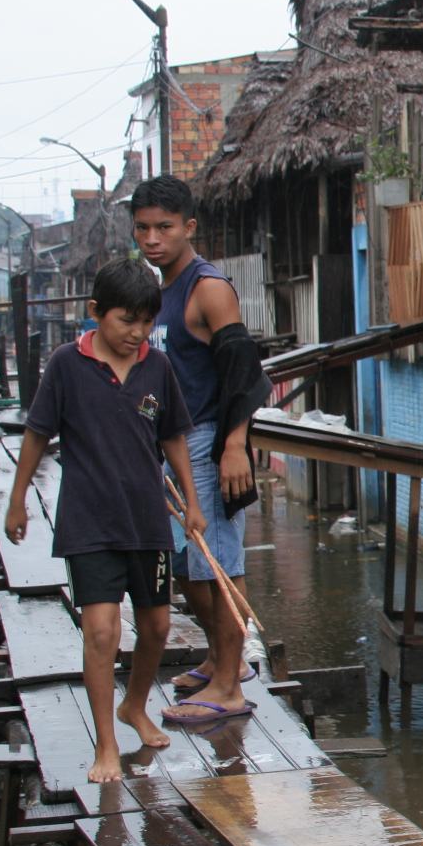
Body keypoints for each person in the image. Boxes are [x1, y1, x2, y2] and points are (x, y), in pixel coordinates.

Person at [4, 258, 207, 782]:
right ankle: (107, 744)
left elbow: (174, 437)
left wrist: (192, 502)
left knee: (158, 626)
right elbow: (36, 433)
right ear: (96, 313)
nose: (135, 333)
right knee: (100, 632)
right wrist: (18, 498)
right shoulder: (66, 365)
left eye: (145, 322)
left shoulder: (156, 366)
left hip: (146, 520)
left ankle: (134, 705)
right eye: (125, 321)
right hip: (89, 520)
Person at [131, 175, 270, 724]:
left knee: (219, 563)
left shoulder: (206, 287)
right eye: (142, 229)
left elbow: (243, 369)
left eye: (164, 227)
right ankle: (219, 660)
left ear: (189, 227)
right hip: (170, 447)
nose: (153, 239)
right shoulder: (158, 291)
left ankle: (231, 687)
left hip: (210, 439)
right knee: (189, 566)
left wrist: (235, 445)